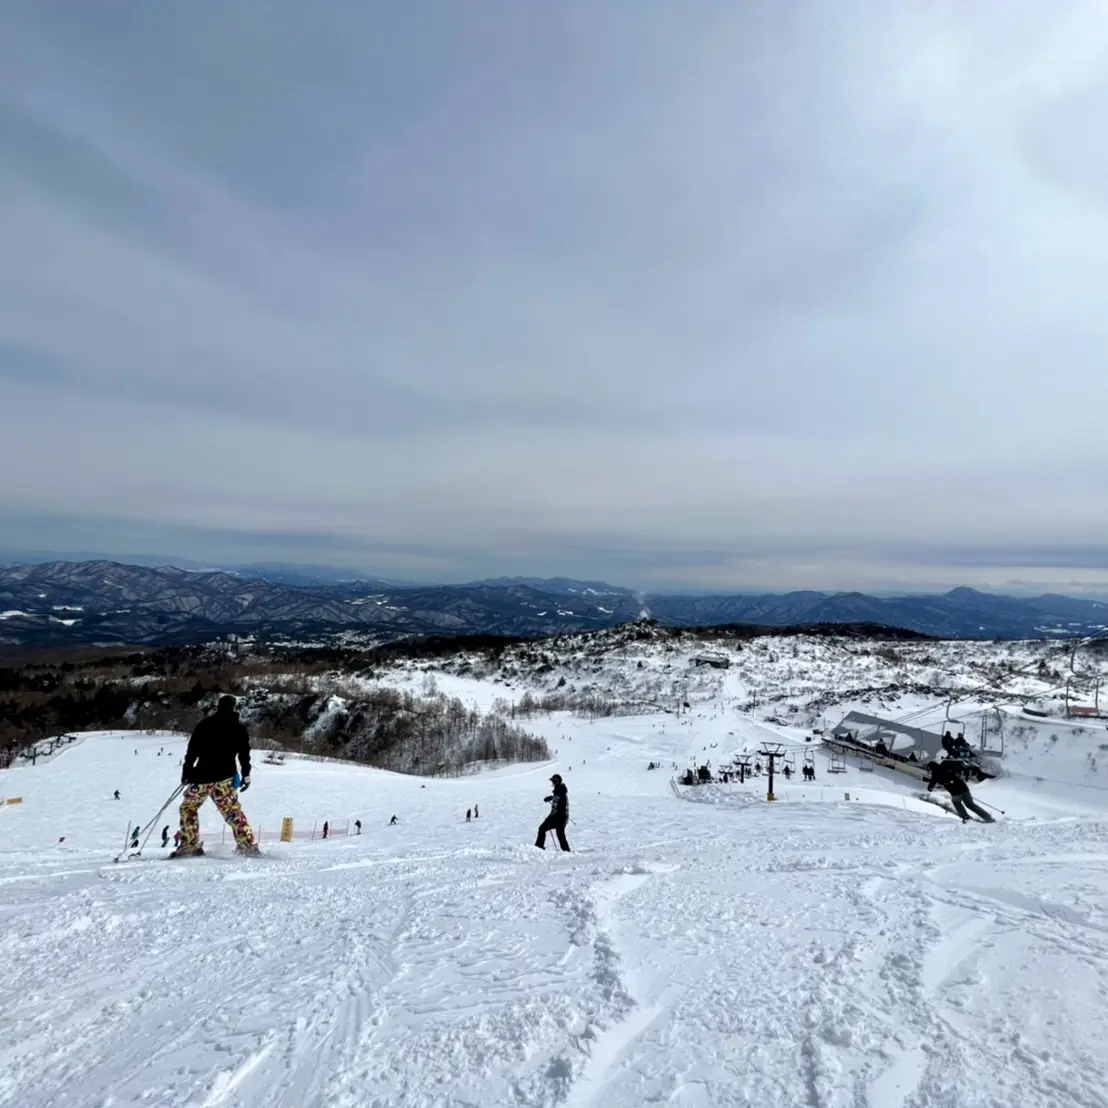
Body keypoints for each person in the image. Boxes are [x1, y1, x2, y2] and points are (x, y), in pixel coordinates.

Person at [171, 695, 258, 857]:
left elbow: (192, 751)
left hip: (202, 776)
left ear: (218, 707)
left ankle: (189, 845)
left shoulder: (204, 724)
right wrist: (246, 775)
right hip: (225, 778)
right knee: (232, 812)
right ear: (234, 707)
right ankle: (247, 845)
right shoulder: (238, 728)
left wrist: (186, 772)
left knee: (188, 808)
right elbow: (244, 755)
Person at [926, 760, 995, 823]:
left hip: (956, 792)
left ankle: (966, 817)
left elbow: (932, 783)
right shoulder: (945, 765)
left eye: (929, 769)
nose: (930, 771)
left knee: (956, 802)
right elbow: (957, 764)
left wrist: (930, 788)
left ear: (932, 768)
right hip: (964, 788)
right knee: (971, 805)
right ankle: (988, 818)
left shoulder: (935, 774)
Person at [536, 773, 570, 851]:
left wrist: (552, 798)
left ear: (558, 781)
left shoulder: (560, 790)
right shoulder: (560, 789)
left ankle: (538, 847)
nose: (553, 783)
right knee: (560, 834)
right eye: (553, 781)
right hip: (561, 817)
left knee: (543, 829)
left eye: (555, 781)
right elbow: (558, 797)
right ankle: (567, 851)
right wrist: (552, 797)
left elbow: (559, 800)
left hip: (559, 817)